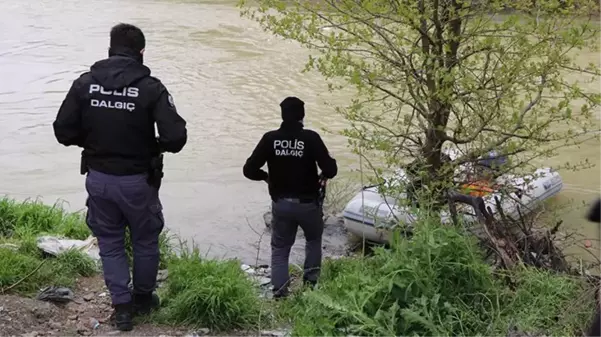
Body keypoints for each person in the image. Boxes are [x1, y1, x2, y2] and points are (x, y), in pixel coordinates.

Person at [52, 23, 187, 331]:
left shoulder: (85, 84)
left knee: (110, 243)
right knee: (145, 239)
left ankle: (122, 308)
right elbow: (176, 137)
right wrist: (151, 145)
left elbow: (62, 130)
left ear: (110, 49)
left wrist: (91, 141)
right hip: (138, 180)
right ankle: (142, 299)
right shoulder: (151, 88)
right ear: (141, 53)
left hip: (98, 177)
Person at [243, 97, 337, 298]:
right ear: (302, 116)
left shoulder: (270, 139)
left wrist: (266, 177)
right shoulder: (311, 138)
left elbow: (249, 170)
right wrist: (324, 175)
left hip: (281, 205)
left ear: (282, 115)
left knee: (280, 248)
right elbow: (331, 169)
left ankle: (280, 291)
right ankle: (311, 286)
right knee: (313, 241)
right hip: (308, 205)